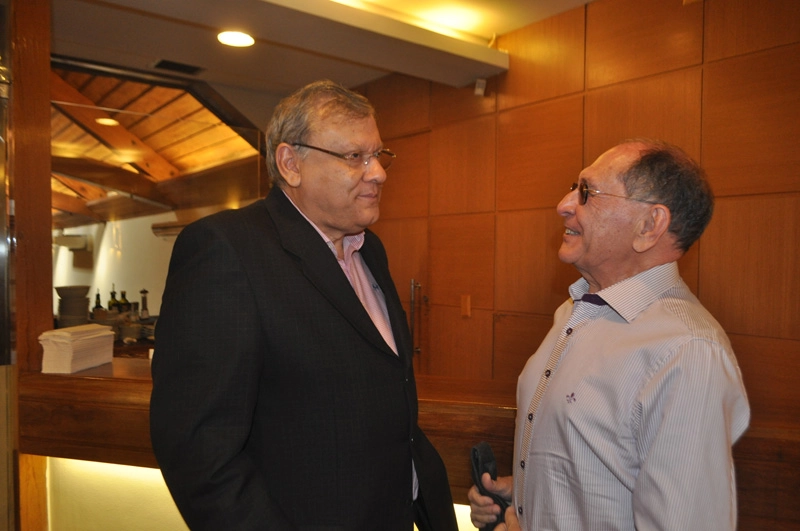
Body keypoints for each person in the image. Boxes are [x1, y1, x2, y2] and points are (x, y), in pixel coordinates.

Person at [150, 80, 458, 531]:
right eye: (355, 157)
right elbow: (199, 451)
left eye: (378, 155)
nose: (378, 173)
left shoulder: (369, 250)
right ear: (290, 163)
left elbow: (389, 402)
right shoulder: (227, 248)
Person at [469, 139, 750, 530]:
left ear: (649, 226)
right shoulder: (573, 311)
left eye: (587, 192)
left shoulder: (688, 350)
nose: (564, 204)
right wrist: (525, 497)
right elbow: (598, 468)